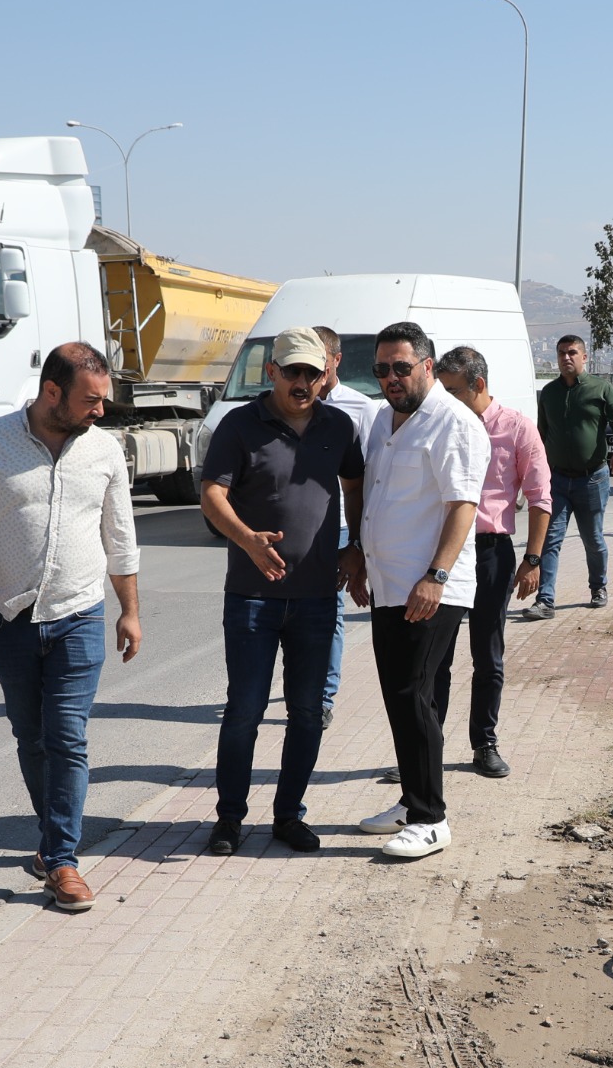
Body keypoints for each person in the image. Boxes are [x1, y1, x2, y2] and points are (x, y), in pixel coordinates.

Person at [0, 343, 142, 914]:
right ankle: (54, 845)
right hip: (9, 618)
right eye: (91, 400)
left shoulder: (105, 450)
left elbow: (120, 536)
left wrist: (129, 610)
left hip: (79, 613)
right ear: (52, 392)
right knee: (30, 738)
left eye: (104, 400)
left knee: (67, 737)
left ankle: (61, 860)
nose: (100, 411)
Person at [198, 327, 363, 856]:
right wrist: (247, 540)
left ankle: (289, 816)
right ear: (271, 372)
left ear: (324, 375)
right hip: (251, 597)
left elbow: (356, 485)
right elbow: (211, 494)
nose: (302, 382)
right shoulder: (239, 425)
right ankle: (228, 819)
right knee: (244, 709)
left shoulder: (338, 426)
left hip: (317, 597)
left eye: (312, 373)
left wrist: (355, 545)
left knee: (307, 712)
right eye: (292, 371)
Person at [345, 321, 486, 861]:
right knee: (400, 697)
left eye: (402, 367)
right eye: (382, 369)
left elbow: (462, 506)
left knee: (413, 695)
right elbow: (375, 495)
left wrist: (437, 575)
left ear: (428, 366)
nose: (390, 378)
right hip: (388, 584)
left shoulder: (454, 423)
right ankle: (411, 800)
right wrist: (359, 556)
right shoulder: (385, 420)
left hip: (430, 589)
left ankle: (431, 819)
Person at [434, 345, 549, 779]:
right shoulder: (441, 423)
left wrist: (532, 559)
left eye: (453, 390)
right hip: (444, 550)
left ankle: (484, 742)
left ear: (478, 385)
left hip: (490, 554)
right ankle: (427, 746)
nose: (444, 398)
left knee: (488, 654)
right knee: (435, 657)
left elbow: (540, 500)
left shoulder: (518, 429)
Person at [525, 333, 613, 620]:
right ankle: (545, 601)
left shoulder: (600, 388)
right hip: (556, 481)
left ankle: (598, 586)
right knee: (550, 540)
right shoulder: (550, 393)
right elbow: (541, 436)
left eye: (572, 353)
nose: (566, 358)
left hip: (592, 479)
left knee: (592, 539)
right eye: (561, 353)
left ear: (584, 357)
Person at [312, 326, 379, 728]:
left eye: (318, 358)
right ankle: (305, 683)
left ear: (335, 360)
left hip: (338, 528)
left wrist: (358, 541)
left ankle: (324, 696)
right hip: (298, 532)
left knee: (331, 612)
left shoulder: (360, 409)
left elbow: (367, 478)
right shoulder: (291, 405)